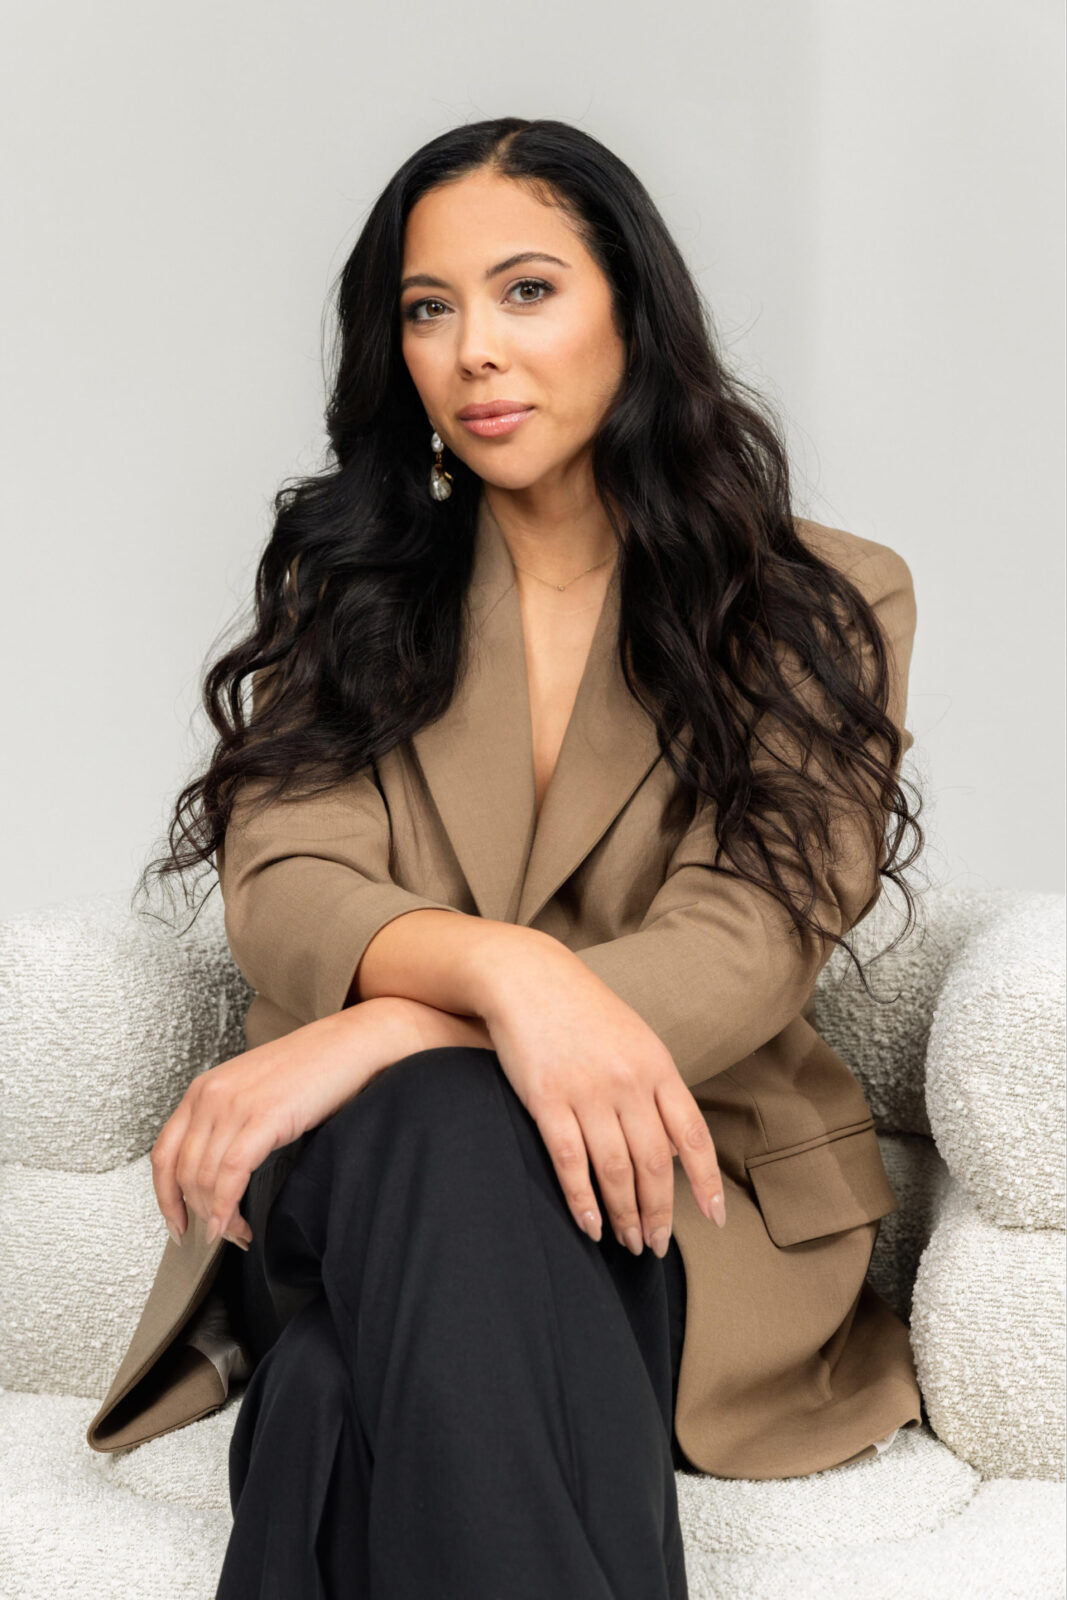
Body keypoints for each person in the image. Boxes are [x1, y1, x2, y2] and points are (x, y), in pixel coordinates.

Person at [133, 115, 925, 1599]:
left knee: (328, 1400)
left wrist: (396, 1019)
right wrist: (499, 977)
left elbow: (752, 935)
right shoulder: (347, 586)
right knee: (435, 1128)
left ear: (635, 307)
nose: (474, 351)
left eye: (527, 291)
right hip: (367, 1167)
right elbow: (291, 881)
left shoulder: (825, 597)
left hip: (681, 1189)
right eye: (429, 310)